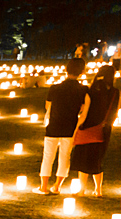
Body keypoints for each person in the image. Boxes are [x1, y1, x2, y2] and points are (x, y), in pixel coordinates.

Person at [34, 59, 89, 195]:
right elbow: (82, 109)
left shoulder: (55, 88)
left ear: (66, 70)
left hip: (54, 125)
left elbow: (48, 106)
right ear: (82, 72)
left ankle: (43, 187)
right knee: (65, 156)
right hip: (70, 126)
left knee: (48, 156)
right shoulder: (83, 89)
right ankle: (57, 186)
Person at [69, 65, 120, 197]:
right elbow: (115, 110)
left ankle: (82, 189)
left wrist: (77, 127)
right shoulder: (116, 92)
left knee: (83, 158)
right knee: (97, 159)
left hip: (88, 127)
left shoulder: (93, 90)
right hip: (104, 128)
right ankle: (98, 189)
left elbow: (85, 112)